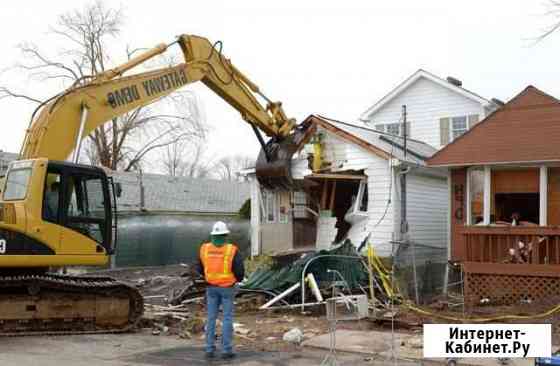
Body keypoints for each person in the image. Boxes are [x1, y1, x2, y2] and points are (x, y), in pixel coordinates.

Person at [196, 221, 245, 361]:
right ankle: (226, 350)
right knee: (227, 318)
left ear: (213, 235)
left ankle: (209, 348)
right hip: (227, 288)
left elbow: (199, 268)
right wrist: (237, 280)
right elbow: (239, 271)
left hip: (211, 288)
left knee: (211, 318)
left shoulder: (204, 249)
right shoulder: (231, 250)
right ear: (225, 235)